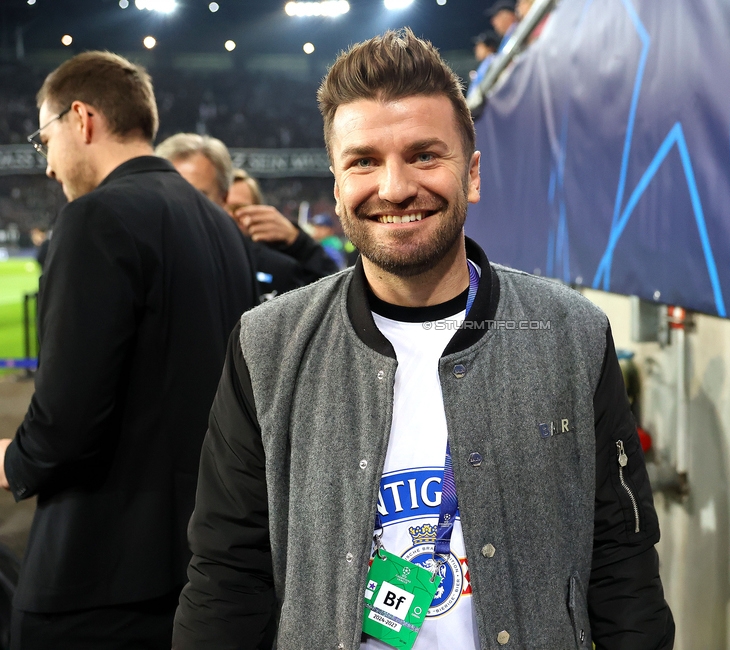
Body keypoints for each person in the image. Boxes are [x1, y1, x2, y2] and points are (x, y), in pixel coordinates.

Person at [173, 29, 674, 650]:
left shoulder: (571, 335)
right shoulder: (268, 346)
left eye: (424, 155)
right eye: (363, 161)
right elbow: (226, 572)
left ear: (472, 174)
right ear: (336, 186)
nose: (394, 187)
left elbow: (622, 561)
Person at [0, 51, 253, 649]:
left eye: (44, 139)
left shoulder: (96, 218)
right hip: (201, 560)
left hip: (100, 571)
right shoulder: (220, 226)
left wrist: (13, 460)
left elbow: (68, 418)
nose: (48, 167)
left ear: (81, 119)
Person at [156, 133, 337, 300]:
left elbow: (333, 295)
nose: (228, 215)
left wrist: (298, 242)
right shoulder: (159, 256)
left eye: (239, 208)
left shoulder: (279, 268)